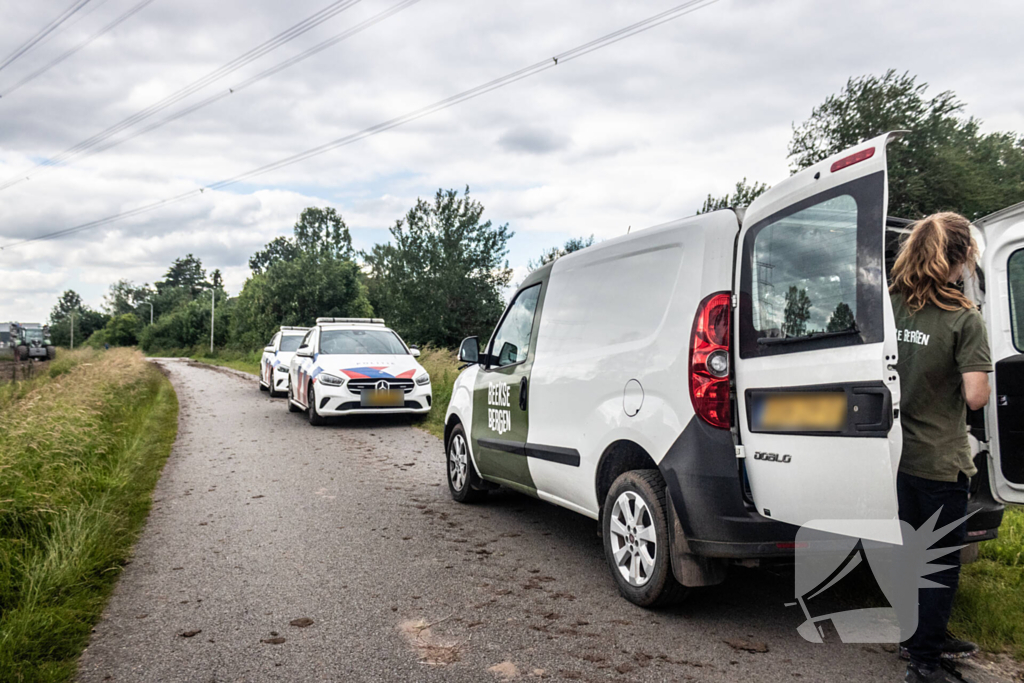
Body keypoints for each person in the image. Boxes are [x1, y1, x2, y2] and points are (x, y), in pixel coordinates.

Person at [889, 212, 991, 683]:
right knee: (939, 563)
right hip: (939, 460)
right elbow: (976, 396)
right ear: (963, 256)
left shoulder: (890, 305)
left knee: (912, 553)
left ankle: (919, 635)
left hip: (892, 457)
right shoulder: (963, 317)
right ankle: (925, 662)